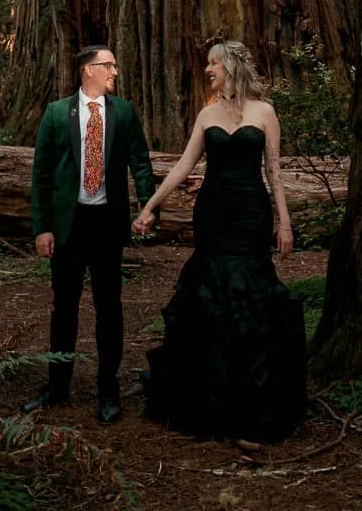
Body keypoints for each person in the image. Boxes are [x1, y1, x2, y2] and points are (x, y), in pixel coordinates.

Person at [131, 40, 307, 442]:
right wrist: (150, 207)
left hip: (251, 215)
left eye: (214, 63)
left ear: (231, 66)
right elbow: (182, 166)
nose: (208, 69)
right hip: (212, 214)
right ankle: (207, 399)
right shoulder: (207, 114)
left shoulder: (265, 112)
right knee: (209, 295)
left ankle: (255, 402)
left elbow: (275, 172)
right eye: (207, 62)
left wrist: (285, 222)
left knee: (250, 295)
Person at [26, 43, 155, 424]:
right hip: (69, 224)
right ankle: (57, 385)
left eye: (114, 64)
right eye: (108, 65)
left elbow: (141, 164)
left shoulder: (124, 113)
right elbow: (42, 175)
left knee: (109, 308)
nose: (114, 71)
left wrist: (148, 207)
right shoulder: (55, 113)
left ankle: (108, 390)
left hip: (106, 223)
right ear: (87, 70)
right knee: (63, 308)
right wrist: (42, 227)